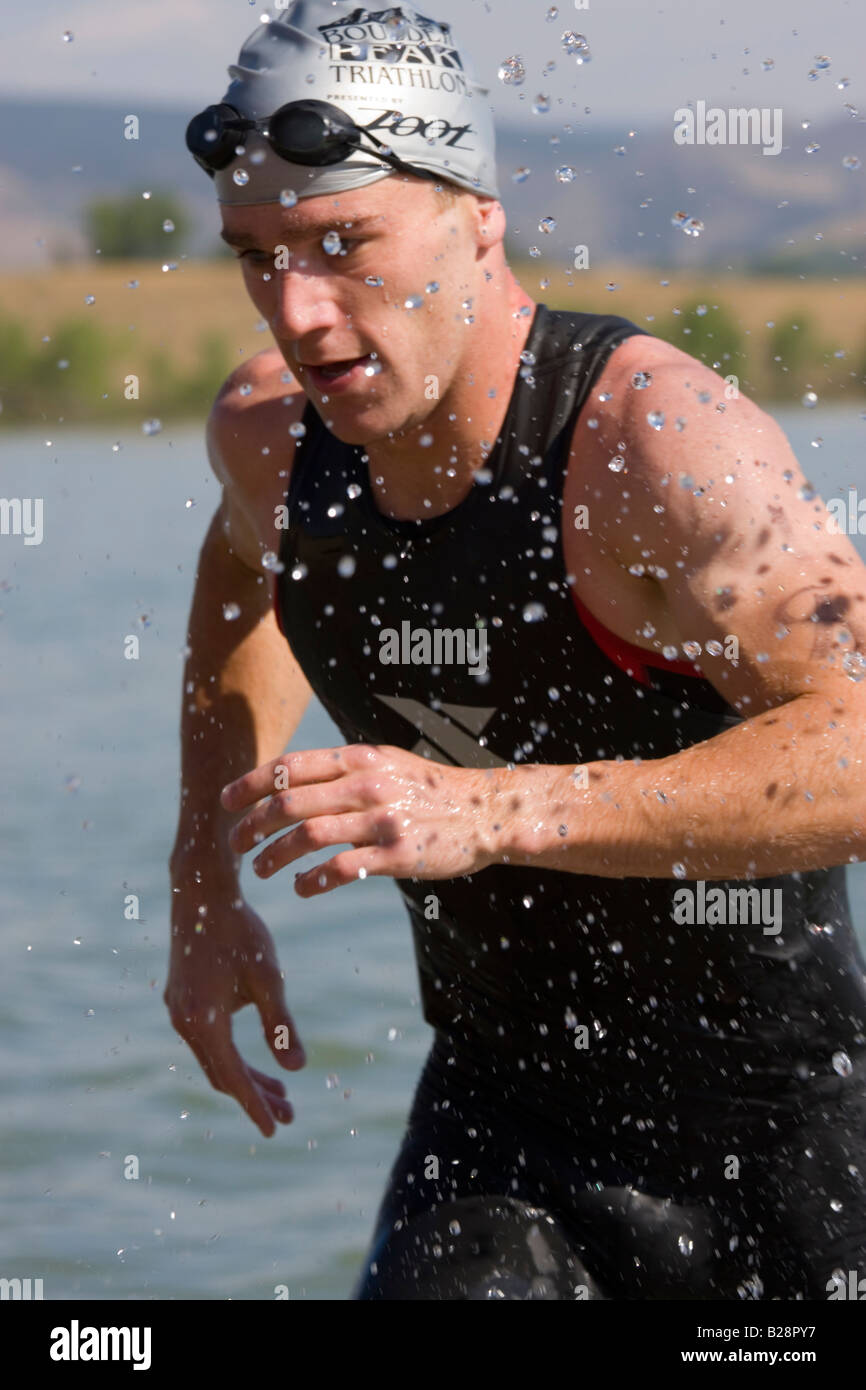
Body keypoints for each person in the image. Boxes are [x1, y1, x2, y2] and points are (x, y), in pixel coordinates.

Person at [167, 1, 866, 1299]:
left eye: (342, 243)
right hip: (499, 1122)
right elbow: (238, 580)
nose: (300, 313)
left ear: (476, 214)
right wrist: (204, 883)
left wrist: (486, 808)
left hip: (782, 1137)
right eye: (257, 256)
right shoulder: (272, 434)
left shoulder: (657, 447)